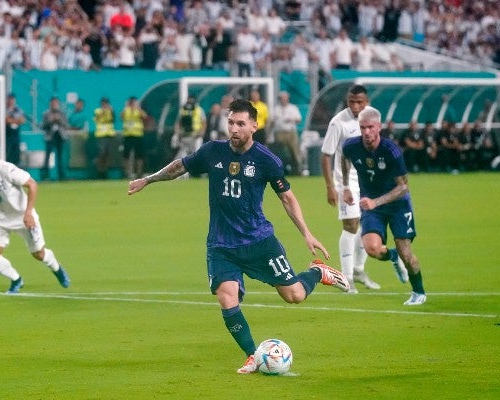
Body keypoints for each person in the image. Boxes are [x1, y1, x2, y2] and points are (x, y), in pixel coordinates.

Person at [128, 99, 349, 373]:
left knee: (293, 295)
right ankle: (253, 355)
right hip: (221, 244)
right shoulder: (212, 152)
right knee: (226, 296)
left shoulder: (266, 160)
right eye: (230, 122)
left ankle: (318, 273)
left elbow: (287, 198)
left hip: (259, 241)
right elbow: (180, 166)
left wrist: (306, 232)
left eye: (240, 123)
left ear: (254, 126)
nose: (233, 128)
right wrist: (148, 180)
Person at [0, 140, 70, 294]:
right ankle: (16, 280)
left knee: (39, 254)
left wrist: (29, 212)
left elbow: (32, 184)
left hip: (23, 217)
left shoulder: (5, 169)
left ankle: (57, 269)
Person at [341, 107, 426, 306]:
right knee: (372, 249)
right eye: (363, 128)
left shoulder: (391, 150)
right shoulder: (351, 146)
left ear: (379, 127)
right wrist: (345, 186)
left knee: (407, 253)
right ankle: (392, 255)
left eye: (371, 127)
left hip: (398, 206)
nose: (367, 132)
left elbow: (403, 187)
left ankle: (419, 292)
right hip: (372, 207)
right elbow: (344, 158)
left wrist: (375, 201)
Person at [320, 84, 384, 294]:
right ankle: (346, 279)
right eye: (351, 102)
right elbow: (326, 155)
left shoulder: (372, 119)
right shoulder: (338, 122)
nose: (355, 106)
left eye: (360, 102)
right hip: (345, 183)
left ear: (367, 102)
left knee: (368, 226)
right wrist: (330, 186)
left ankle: (358, 270)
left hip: (369, 181)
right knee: (351, 226)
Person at [269, 91, 302, 175]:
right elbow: (272, 122)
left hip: (290, 132)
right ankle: (282, 171)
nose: (283, 100)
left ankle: (297, 171)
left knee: (294, 151)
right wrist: (270, 133)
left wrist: (291, 120)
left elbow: (299, 119)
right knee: (281, 153)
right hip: (279, 133)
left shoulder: (293, 108)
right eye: (281, 98)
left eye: (285, 98)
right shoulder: (276, 109)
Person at [41, 96, 69, 181]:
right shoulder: (46, 114)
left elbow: (66, 125)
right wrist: (51, 121)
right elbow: (42, 126)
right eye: (53, 103)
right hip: (50, 137)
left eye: (56, 103)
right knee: (47, 156)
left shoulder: (62, 113)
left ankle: (62, 176)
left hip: (60, 136)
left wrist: (59, 120)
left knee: (60, 157)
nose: (54, 105)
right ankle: (46, 176)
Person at [172, 95, 206, 162]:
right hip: (184, 136)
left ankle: (197, 170)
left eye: (191, 100)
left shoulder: (199, 110)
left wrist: (201, 133)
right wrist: (176, 133)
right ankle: (182, 169)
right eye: (189, 100)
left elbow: (204, 123)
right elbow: (178, 123)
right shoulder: (183, 110)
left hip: (196, 136)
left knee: (196, 154)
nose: (190, 102)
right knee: (182, 155)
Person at [121, 96, 148, 179]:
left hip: (138, 135)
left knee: (139, 155)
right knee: (126, 155)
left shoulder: (139, 110)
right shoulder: (126, 110)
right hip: (128, 135)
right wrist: (126, 107)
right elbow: (121, 117)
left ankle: (139, 173)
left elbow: (145, 117)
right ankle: (127, 173)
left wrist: (138, 108)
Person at [93, 97, 117, 179]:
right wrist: (104, 111)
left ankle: (105, 171)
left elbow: (113, 119)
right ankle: (99, 170)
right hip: (101, 135)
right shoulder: (98, 111)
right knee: (101, 153)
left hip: (109, 134)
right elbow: (97, 118)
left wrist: (111, 111)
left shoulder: (111, 110)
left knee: (108, 154)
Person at [5, 94, 26, 166]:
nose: (11, 101)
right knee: (8, 153)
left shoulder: (18, 109)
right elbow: (6, 120)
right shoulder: (4, 109)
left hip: (16, 134)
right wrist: (17, 120)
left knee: (16, 153)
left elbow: (23, 120)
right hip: (7, 134)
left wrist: (12, 120)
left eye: (12, 100)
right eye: (9, 99)